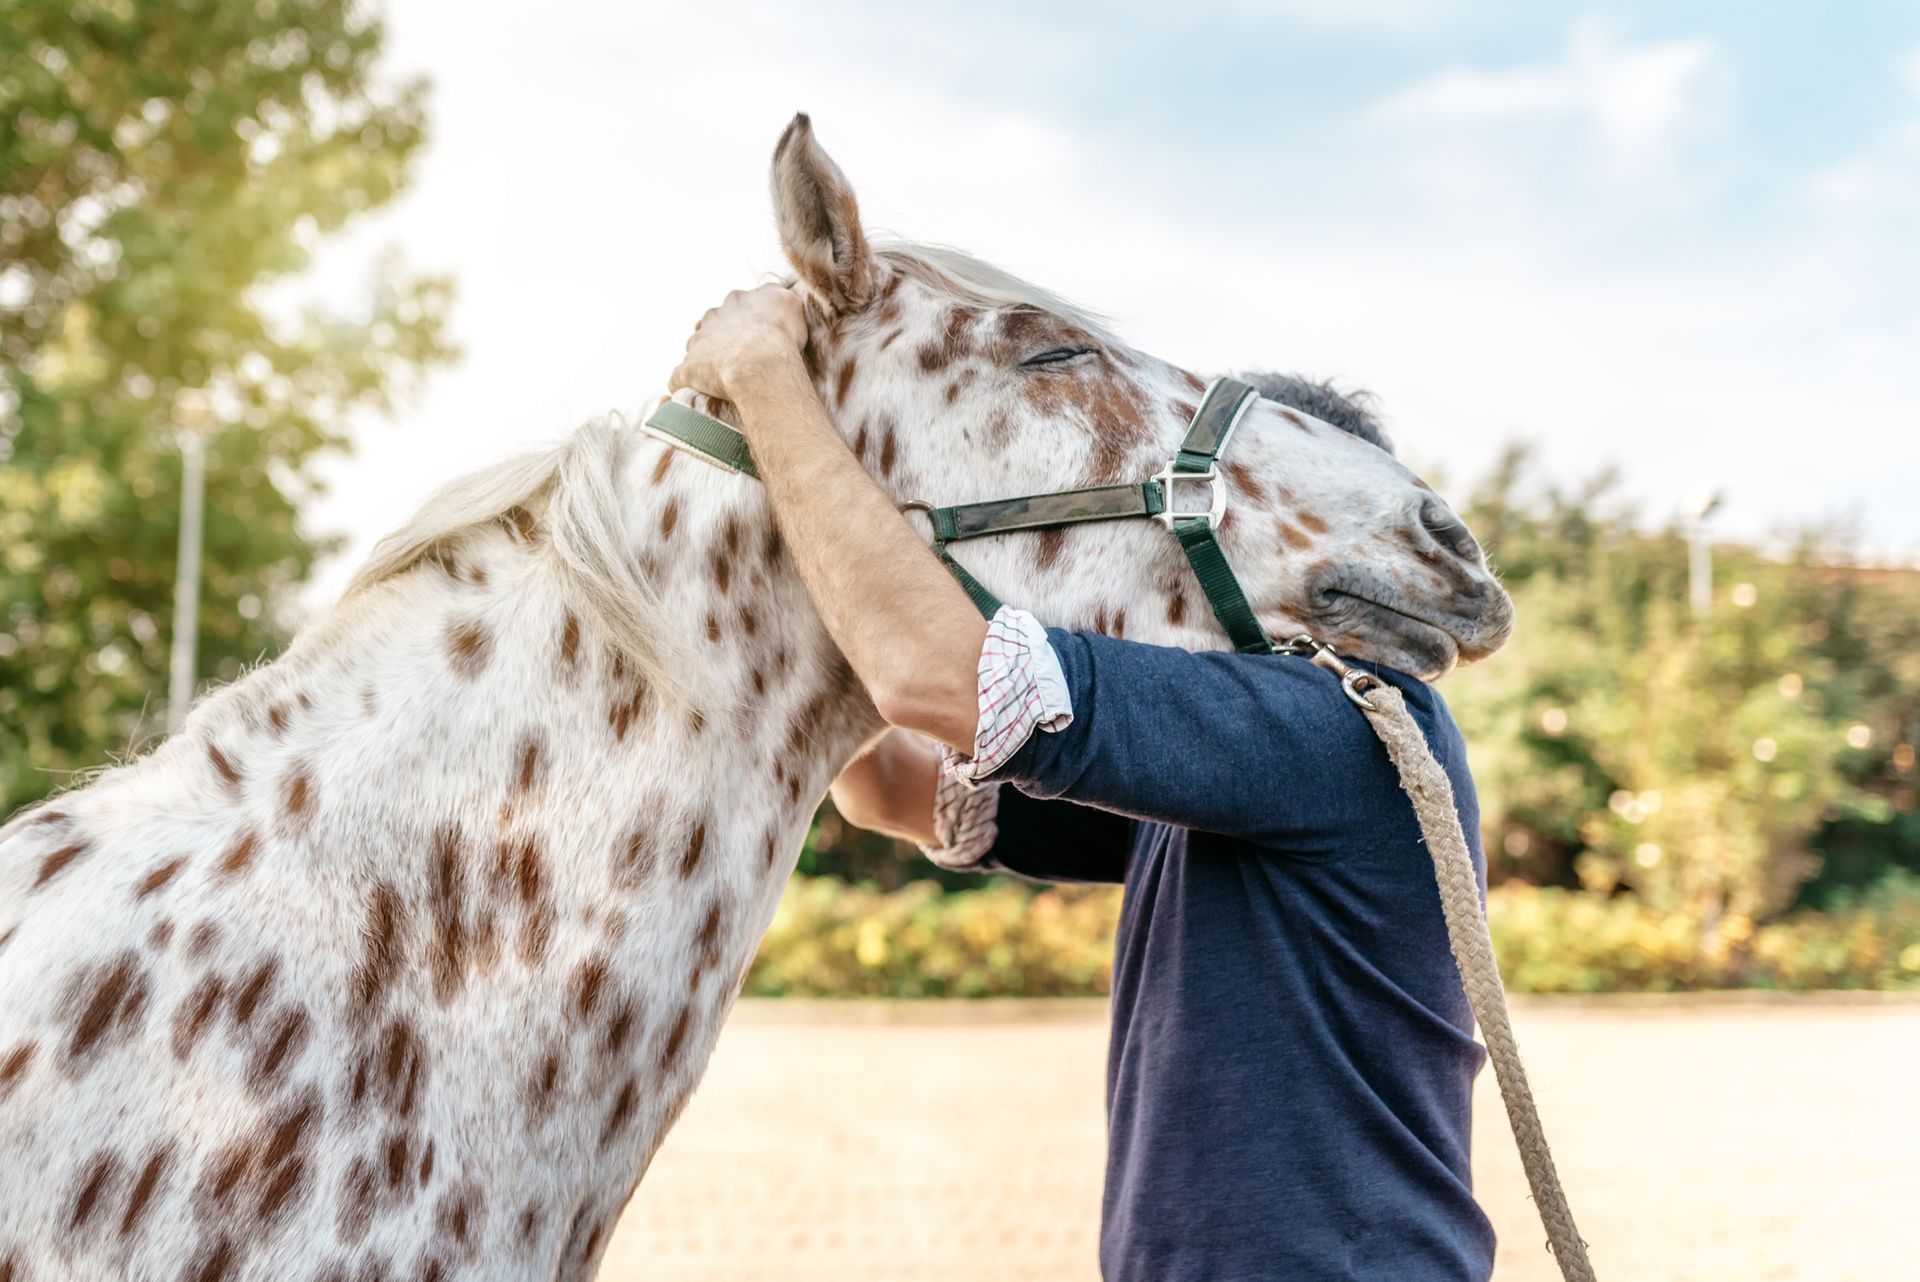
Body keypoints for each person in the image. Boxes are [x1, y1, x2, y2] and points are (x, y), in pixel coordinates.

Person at [668, 284, 1497, 1282]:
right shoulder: (1223, 784)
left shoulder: (1332, 728)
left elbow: (935, 677)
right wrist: (827, 529)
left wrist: (767, 380)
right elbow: (885, 788)